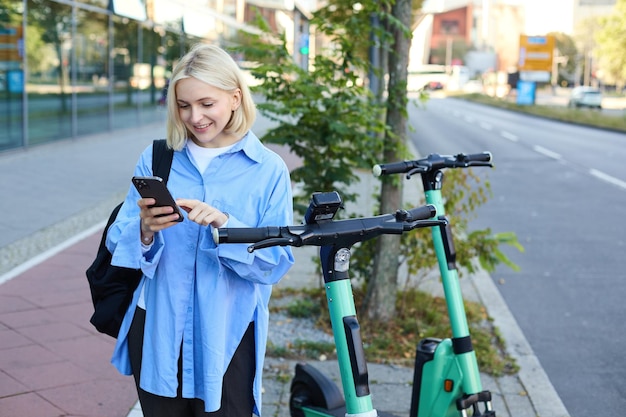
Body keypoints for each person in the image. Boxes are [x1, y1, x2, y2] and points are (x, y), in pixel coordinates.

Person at [106, 43, 294, 417]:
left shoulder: (268, 170)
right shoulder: (158, 157)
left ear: (235, 98)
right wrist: (144, 230)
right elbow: (118, 237)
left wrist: (226, 226)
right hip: (159, 325)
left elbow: (275, 262)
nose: (195, 117)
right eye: (183, 105)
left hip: (227, 332)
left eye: (207, 104)